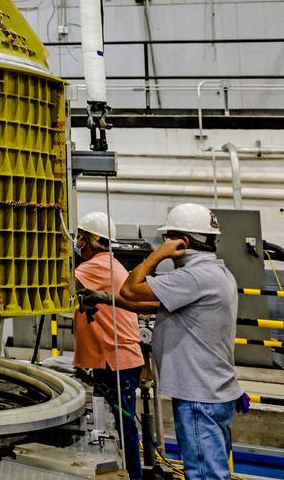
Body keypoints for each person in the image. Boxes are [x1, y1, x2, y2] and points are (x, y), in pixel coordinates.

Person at [118, 203, 243, 480]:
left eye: (167, 239)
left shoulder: (193, 276)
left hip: (199, 397)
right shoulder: (217, 273)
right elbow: (143, 303)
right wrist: (105, 299)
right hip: (214, 392)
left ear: (181, 242)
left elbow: (129, 289)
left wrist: (156, 256)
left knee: (204, 476)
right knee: (214, 472)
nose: (164, 245)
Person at [73, 211, 155, 480]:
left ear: (90, 240)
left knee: (125, 425)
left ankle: (133, 475)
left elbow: (61, 283)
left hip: (116, 359)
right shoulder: (109, 263)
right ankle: (132, 473)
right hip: (117, 358)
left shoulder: (98, 265)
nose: (78, 242)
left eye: (80, 238)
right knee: (124, 424)